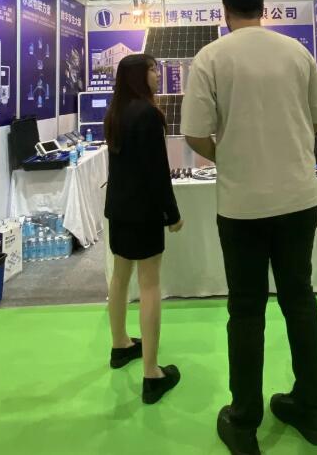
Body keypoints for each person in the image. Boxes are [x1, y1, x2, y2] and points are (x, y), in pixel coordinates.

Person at [181, 0, 317, 455]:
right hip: (299, 199)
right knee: (299, 300)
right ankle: (311, 409)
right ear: (263, 8)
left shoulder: (211, 58)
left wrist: (229, 157)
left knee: (246, 310)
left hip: (242, 205)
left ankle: (245, 421)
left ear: (224, 10)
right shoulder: (297, 53)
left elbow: (194, 134)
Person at [104, 53, 183, 405]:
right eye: (151, 69)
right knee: (150, 284)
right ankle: (152, 374)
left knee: (120, 277)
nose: (157, 74)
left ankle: (120, 344)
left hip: (119, 210)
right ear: (138, 76)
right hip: (144, 213)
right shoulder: (148, 114)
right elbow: (157, 171)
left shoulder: (115, 113)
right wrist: (172, 213)